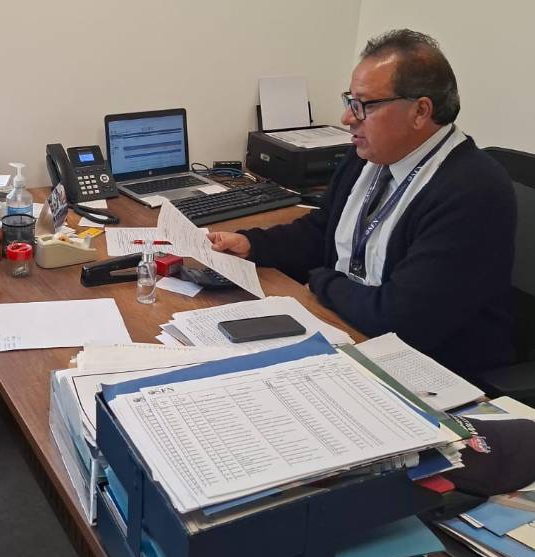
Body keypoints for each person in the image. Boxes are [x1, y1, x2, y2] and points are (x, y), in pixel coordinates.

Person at [209, 29, 515, 381]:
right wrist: (253, 244)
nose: (348, 118)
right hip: (346, 327)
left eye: (364, 105)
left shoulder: (472, 191)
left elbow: (402, 319)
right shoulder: (370, 156)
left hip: (429, 369)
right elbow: (324, 230)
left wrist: (322, 281)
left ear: (420, 111)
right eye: (349, 101)